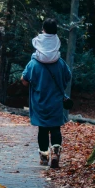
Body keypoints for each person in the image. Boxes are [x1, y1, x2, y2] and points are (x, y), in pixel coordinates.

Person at [21, 18, 71, 169]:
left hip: (39, 101)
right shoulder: (60, 62)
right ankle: (55, 152)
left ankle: (44, 156)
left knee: (42, 129)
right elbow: (67, 77)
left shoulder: (33, 63)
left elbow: (24, 80)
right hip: (56, 101)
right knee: (55, 128)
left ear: (43, 32)